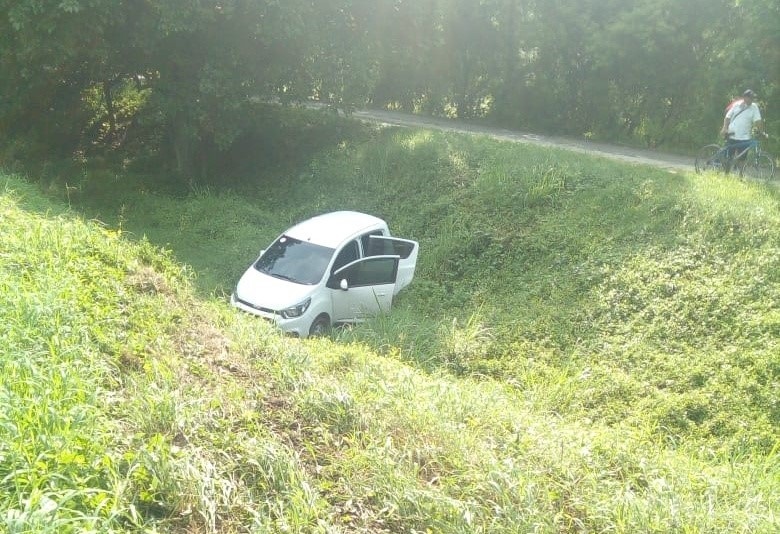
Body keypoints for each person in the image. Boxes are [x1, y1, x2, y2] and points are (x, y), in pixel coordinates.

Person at [720, 89, 764, 172]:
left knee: (742, 158)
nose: (752, 100)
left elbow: (758, 120)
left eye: (753, 98)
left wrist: (761, 132)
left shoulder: (754, 107)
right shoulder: (736, 105)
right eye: (750, 98)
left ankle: (741, 176)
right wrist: (725, 128)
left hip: (745, 137)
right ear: (744, 97)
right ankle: (726, 174)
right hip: (732, 134)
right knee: (729, 156)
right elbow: (727, 117)